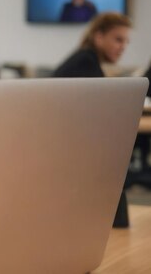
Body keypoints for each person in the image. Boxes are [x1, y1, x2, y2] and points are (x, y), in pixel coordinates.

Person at [53, 12, 131, 227]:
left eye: (126, 41)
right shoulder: (85, 61)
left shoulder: (86, 58)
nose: (123, 46)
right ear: (98, 37)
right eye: (118, 39)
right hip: (65, 153)